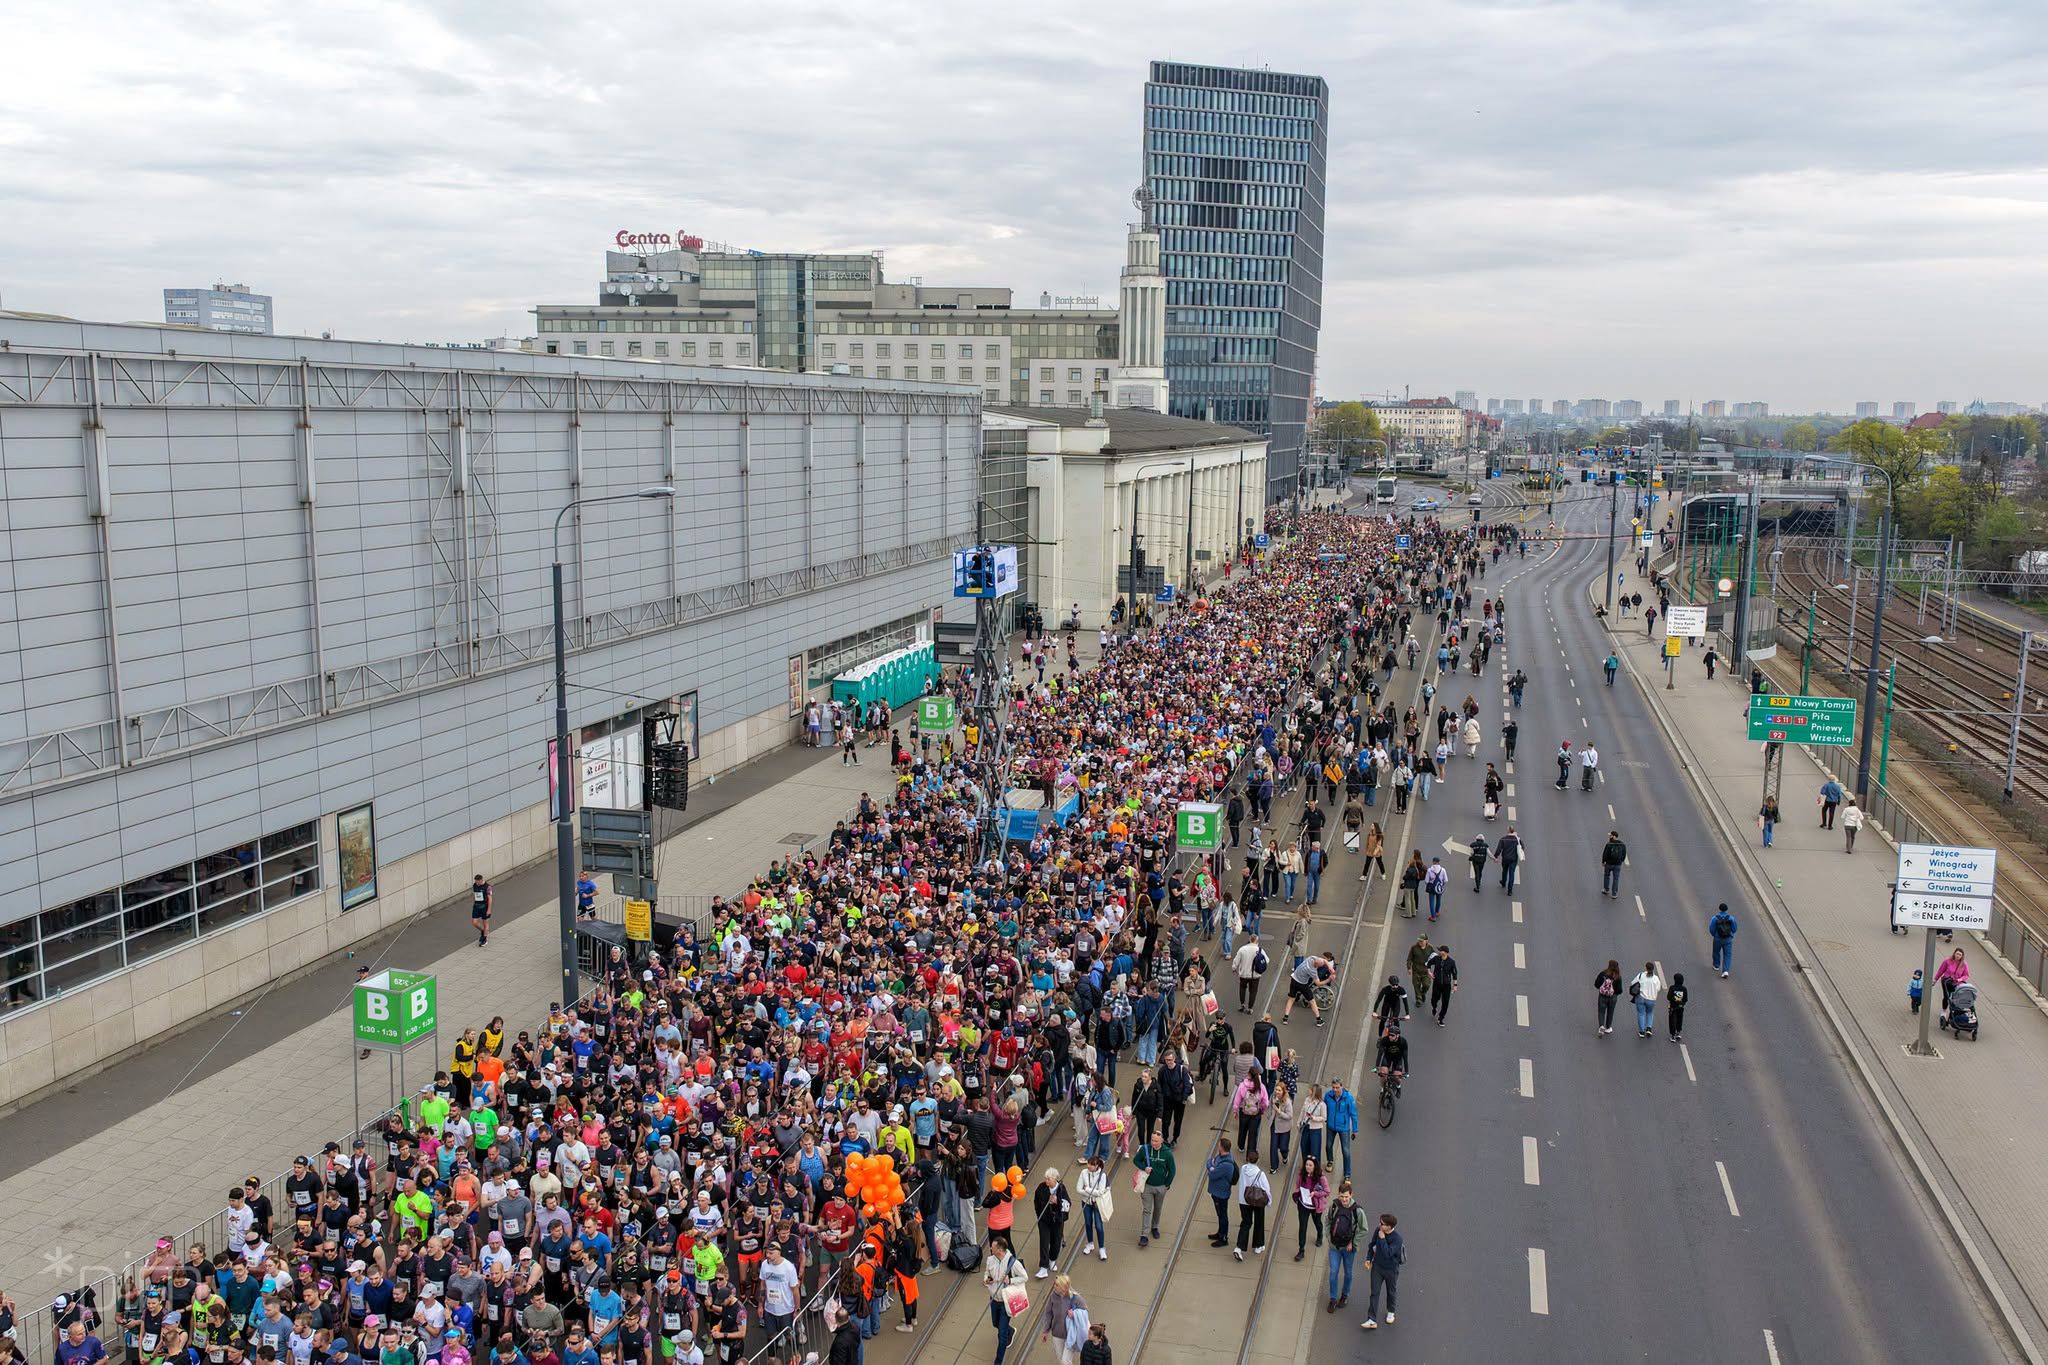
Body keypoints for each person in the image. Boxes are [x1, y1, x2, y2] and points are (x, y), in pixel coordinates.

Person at [981, 1234, 1028, 1365]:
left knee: (1001, 1338)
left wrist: (1011, 1280)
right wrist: (986, 1279)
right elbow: (986, 1272)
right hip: (994, 1300)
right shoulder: (990, 1259)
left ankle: (998, 1362)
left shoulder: (1013, 1263)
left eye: (993, 1247)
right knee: (995, 1323)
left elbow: (1025, 1277)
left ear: (1000, 1250)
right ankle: (1010, 1330)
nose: (990, 1248)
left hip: (1006, 1303)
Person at [1359, 1214, 1405, 1331]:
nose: (1379, 1225)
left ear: (1389, 1227)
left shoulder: (1397, 1239)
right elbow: (1372, 1245)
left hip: (1391, 1270)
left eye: (1382, 1224)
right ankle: (1372, 1319)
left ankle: (1391, 1311)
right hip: (1377, 1267)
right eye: (1380, 1222)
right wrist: (1368, 1258)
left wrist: (1383, 1239)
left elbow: (1388, 1253)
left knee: (1391, 1291)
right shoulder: (1378, 1231)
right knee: (1374, 1292)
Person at [1133, 1132, 1174, 1248]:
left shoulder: (1167, 1154)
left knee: (1158, 1208)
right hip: (1147, 1186)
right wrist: (1144, 1167)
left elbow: (1172, 1170)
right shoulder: (1145, 1149)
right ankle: (1144, 1235)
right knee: (1147, 1209)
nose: (1153, 1143)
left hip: (1161, 1186)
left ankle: (1155, 1227)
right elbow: (1136, 1160)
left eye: (1156, 1141)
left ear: (1162, 1141)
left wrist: (1167, 1185)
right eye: (1152, 1140)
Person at [1326, 1181, 1361, 1312]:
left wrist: (1353, 1242)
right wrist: (1329, 1237)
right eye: (1342, 1196)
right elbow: (1328, 1221)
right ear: (1338, 1195)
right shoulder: (1334, 1206)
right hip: (1334, 1247)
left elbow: (1363, 1229)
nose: (1344, 1199)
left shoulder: (1357, 1211)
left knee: (1348, 1273)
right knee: (1333, 1272)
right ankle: (1333, 1299)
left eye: (1346, 1196)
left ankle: (1345, 1295)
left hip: (1348, 1249)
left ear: (1351, 1195)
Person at [1033, 1169, 1071, 1278]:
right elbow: (1036, 1201)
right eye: (1045, 1178)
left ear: (1055, 1179)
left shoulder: (1061, 1189)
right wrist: (1039, 1215)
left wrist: (1057, 1201)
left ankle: (1052, 1259)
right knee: (1044, 1242)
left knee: (1056, 1242)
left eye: (1048, 1179)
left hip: (1057, 1221)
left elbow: (1067, 1205)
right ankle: (1043, 1267)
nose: (1046, 1181)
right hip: (1044, 1221)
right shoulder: (1041, 1187)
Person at [1233, 1153, 1271, 1261]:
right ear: (1258, 1160)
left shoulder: (1243, 1168)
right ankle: (1258, 1245)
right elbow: (1266, 1188)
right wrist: (1269, 1202)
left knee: (1246, 1223)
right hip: (1257, 1201)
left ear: (1247, 1159)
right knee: (1259, 1222)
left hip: (1243, 1200)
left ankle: (1239, 1247)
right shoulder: (1260, 1173)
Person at [1292, 1155, 1330, 1262]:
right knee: (1302, 1227)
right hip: (1303, 1204)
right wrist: (1298, 1194)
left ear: (1315, 1167)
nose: (1308, 1167)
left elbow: (1327, 1191)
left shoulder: (1321, 1178)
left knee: (1317, 1222)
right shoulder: (1301, 1175)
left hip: (1315, 1206)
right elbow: (1298, 1186)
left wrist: (1316, 1193)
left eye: (1310, 1165)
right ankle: (1301, 1250)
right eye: (1306, 1164)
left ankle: (1319, 1234)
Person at [1074, 1156, 1111, 1262]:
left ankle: (1101, 1248)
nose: (1089, 1166)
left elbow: (1100, 1192)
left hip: (1097, 1204)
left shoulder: (1102, 1176)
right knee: (1088, 1223)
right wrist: (1092, 1191)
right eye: (1088, 1164)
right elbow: (1078, 1189)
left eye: (1092, 1165)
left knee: (1099, 1226)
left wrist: (1087, 1189)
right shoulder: (1083, 1173)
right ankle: (1090, 1243)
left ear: (1097, 1166)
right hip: (1086, 1202)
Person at [1041, 1275, 1084, 1365]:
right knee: (1061, 1360)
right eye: (1055, 1284)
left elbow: (1085, 1313)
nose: (1054, 1286)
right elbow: (1048, 1313)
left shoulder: (1076, 1298)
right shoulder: (1053, 1296)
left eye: (1057, 1285)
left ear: (1064, 1287)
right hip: (1057, 1333)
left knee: (1065, 1361)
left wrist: (1075, 1314)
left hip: (1071, 1334)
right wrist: (1045, 1330)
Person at [1205, 1140, 1241, 1247]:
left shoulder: (1226, 1164)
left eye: (1219, 1145)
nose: (1217, 1147)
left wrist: (1212, 1167)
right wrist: (1211, 1166)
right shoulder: (1221, 1157)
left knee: (1222, 1215)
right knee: (1220, 1214)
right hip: (1217, 1191)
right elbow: (1210, 1161)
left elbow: (1212, 1174)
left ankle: (1223, 1237)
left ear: (1222, 1148)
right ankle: (1220, 1233)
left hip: (1221, 1193)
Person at [1325, 1079, 1358, 1179]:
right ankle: (1330, 1161)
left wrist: (1355, 1129)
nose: (1335, 1090)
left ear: (1342, 1087)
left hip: (1344, 1128)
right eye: (1333, 1087)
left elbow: (1354, 1114)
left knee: (1346, 1151)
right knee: (1328, 1146)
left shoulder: (1348, 1098)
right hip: (1331, 1126)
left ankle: (1347, 1174)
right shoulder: (1328, 1095)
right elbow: (1324, 1107)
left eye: (1337, 1087)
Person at [1629, 962, 1663, 1038]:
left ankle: (1641, 1031)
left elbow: (1632, 983)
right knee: (1650, 1013)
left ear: (1646, 968)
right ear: (1653, 969)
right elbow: (1658, 988)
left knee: (1641, 1014)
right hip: (1651, 999)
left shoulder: (1641, 975)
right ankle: (1649, 1028)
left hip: (1641, 998)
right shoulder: (1656, 978)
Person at [1427, 945, 1458, 1026]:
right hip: (1436, 984)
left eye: (1440, 950)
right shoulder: (1436, 958)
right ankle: (1434, 1008)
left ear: (1445, 953)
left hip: (1446, 986)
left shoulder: (1451, 962)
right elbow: (1428, 964)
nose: (1439, 952)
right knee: (1434, 999)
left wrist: (1455, 985)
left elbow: (1455, 974)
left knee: (1445, 1003)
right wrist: (1429, 972)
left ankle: (1441, 1018)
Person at [1936, 948, 1970, 1019]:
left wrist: (1960, 979)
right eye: (1957, 954)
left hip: (1956, 983)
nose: (1958, 956)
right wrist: (1935, 979)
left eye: (1960, 955)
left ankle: (1953, 1012)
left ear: (1962, 956)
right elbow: (1941, 970)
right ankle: (1944, 1011)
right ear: (1954, 953)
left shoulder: (1964, 964)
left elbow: (1966, 975)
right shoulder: (1947, 961)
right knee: (1946, 996)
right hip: (1946, 981)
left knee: (1954, 998)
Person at [1594, 959, 1622, 1036]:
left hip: (1602, 996)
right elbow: (1619, 990)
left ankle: (1601, 1026)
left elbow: (1596, 984)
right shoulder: (1617, 977)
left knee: (1601, 1011)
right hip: (1613, 997)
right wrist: (1614, 993)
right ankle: (1608, 1027)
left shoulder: (1603, 974)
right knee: (1610, 1012)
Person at [1709, 903, 1738, 977]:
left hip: (1717, 939)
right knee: (1727, 954)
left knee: (1716, 952)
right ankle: (1725, 971)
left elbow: (1711, 928)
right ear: (1726, 909)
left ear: (1719, 909)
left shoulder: (1715, 918)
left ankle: (1716, 965)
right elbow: (1734, 929)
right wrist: (1730, 934)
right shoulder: (1731, 918)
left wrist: (1715, 935)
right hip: (1728, 939)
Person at [1599, 830, 1627, 899]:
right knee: (1616, 879)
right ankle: (1614, 894)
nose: (1610, 836)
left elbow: (1605, 853)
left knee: (1607, 876)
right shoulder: (1622, 844)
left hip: (1609, 864)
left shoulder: (1609, 844)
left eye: (1611, 835)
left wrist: (1603, 862)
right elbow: (1624, 854)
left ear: (1614, 836)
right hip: (1617, 865)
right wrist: (1621, 861)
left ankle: (1606, 889)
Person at [1495, 826, 1522, 893]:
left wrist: (1496, 856)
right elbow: (1522, 847)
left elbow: (1499, 849)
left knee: (1504, 871)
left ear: (1508, 831)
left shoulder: (1503, 839)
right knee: (1512, 873)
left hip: (1505, 858)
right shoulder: (1517, 839)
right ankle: (1510, 891)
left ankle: (1503, 882)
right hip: (1513, 859)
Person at [470, 874, 492, 948]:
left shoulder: (487, 887)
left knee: (485, 922)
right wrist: (474, 903)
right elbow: (474, 895)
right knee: (474, 922)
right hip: (476, 906)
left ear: (481, 880)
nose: (476, 883)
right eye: (475, 882)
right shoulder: (475, 885)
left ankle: (484, 939)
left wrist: (489, 909)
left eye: (477, 882)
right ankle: (483, 931)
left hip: (484, 907)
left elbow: (490, 899)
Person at [1666, 972, 1690, 1042]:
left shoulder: (1672, 988)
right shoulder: (1684, 989)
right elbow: (1685, 999)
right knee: (1679, 1019)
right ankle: (1678, 1032)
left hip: (1673, 1007)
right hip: (1681, 1007)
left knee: (1672, 1020)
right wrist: (1682, 1004)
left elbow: (1668, 997)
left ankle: (1673, 1035)